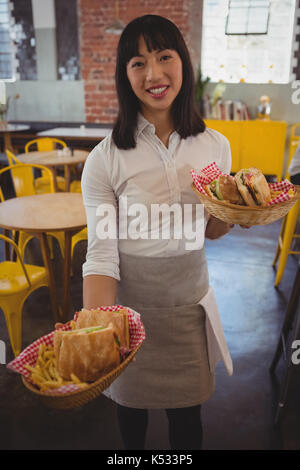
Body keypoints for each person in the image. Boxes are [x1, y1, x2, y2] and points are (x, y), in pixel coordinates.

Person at [81, 14, 233, 450]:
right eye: (138, 63)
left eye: (164, 56)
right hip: (130, 313)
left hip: (190, 306)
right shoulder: (105, 160)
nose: (154, 74)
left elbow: (213, 230)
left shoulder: (215, 146)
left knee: (189, 421)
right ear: (124, 75)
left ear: (182, 61)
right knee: (130, 420)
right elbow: (103, 254)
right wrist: (96, 332)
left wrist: (236, 212)